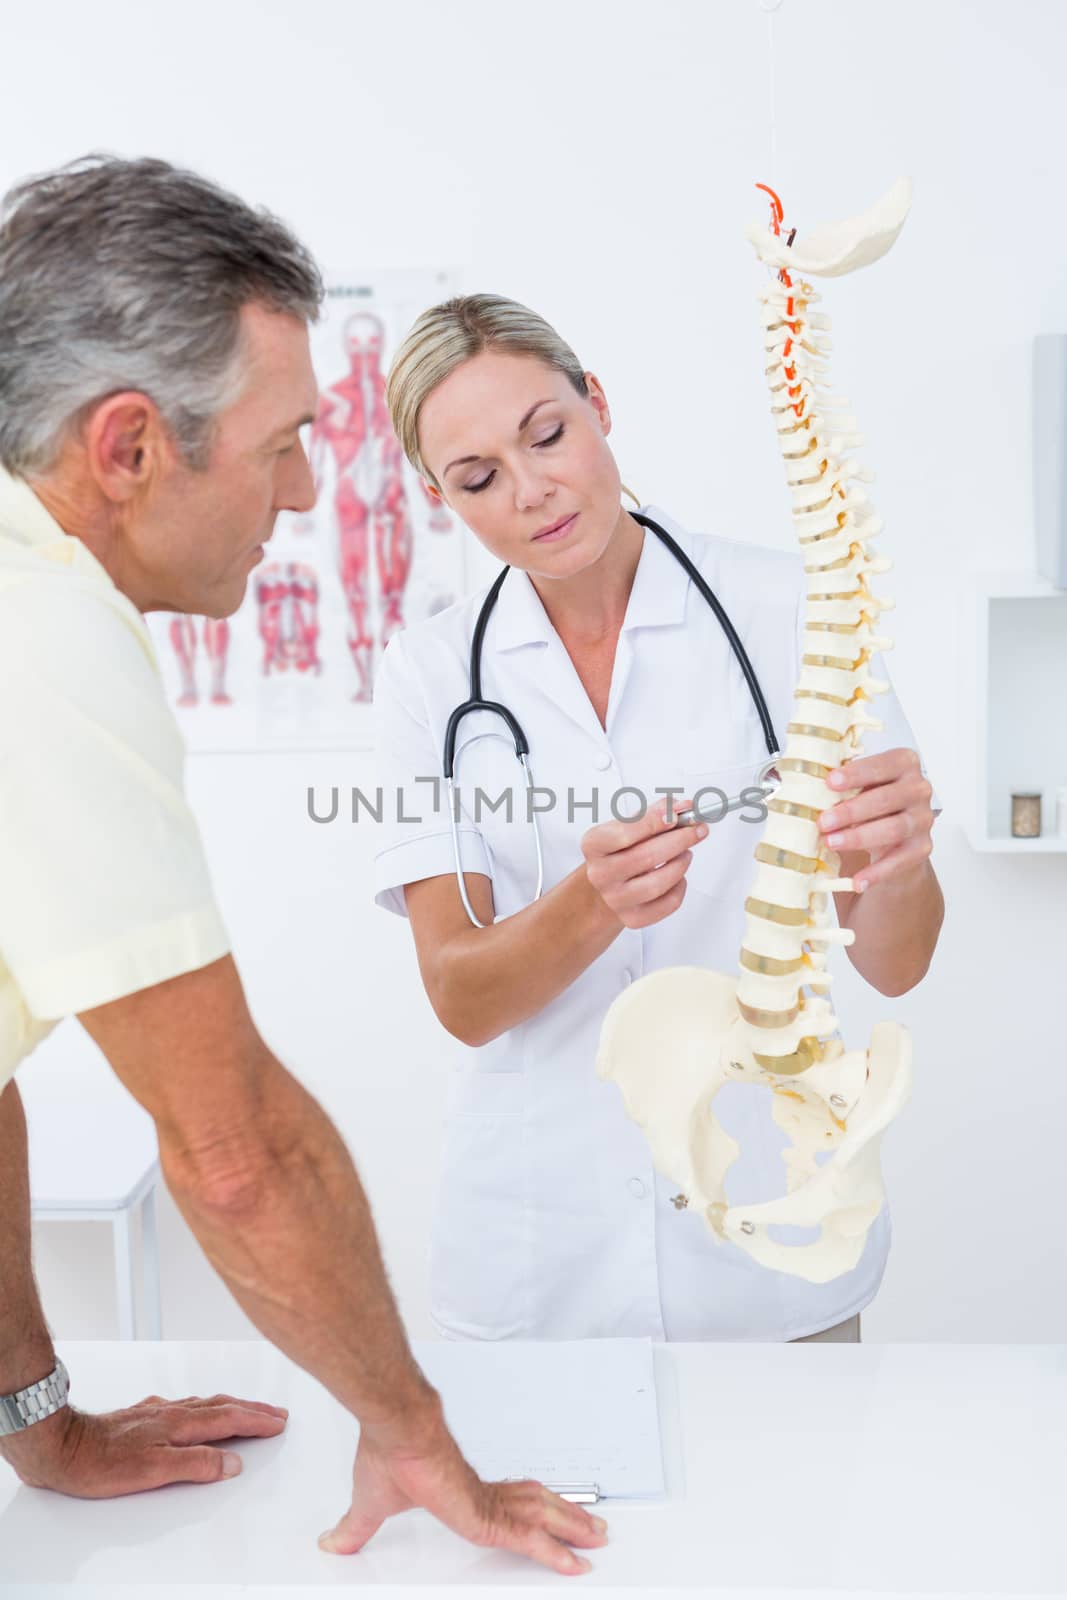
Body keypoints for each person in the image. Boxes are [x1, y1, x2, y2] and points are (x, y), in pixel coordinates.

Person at [0, 162, 605, 1578]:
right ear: (130, 446)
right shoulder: (39, 640)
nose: (304, 489)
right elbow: (235, 1154)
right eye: (281, 443)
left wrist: (31, 1417)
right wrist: (411, 1437)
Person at [373, 293, 944, 1345]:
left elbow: (895, 963)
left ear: (595, 404)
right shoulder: (430, 676)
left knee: (799, 1510)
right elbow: (459, 993)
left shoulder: (798, 613)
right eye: (477, 477)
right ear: (438, 495)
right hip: (544, 1250)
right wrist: (589, 906)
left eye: (546, 434)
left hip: (773, 1228)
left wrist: (896, 863)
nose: (530, 489)